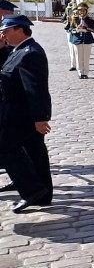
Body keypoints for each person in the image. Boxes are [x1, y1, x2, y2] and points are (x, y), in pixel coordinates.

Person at [0, 15, 53, 213]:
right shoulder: (18, 50)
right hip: (18, 112)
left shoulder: (30, 53)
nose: (3, 34)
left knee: (6, 149)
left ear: (20, 30)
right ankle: (43, 193)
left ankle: (31, 190)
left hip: (22, 115)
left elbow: (36, 89)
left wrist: (40, 118)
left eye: (6, 30)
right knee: (35, 152)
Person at [66, 3, 94, 79]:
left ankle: (85, 73)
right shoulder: (74, 19)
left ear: (86, 11)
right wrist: (76, 30)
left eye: (83, 10)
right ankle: (80, 73)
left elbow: (93, 29)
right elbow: (70, 29)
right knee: (78, 57)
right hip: (77, 40)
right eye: (80, 10)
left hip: (87, 40)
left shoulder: (90, 20)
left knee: (86, 57)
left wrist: (87, 28)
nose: (82, 12)